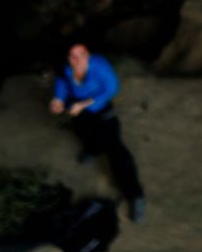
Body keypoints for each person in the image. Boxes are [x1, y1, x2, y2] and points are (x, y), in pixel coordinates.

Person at [50, 42, 145, 222]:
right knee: (83, 132)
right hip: (77, 110)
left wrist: (84, 104)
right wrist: (58, 99)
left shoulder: (99, 66)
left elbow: (111, 88)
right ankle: (92, 149)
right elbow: (61, 81)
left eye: (81, 55)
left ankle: (135, 196)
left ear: (88, 55)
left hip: (100, 109)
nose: (77, 60)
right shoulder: (65, 67)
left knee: (115, 150)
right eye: (72, 56)